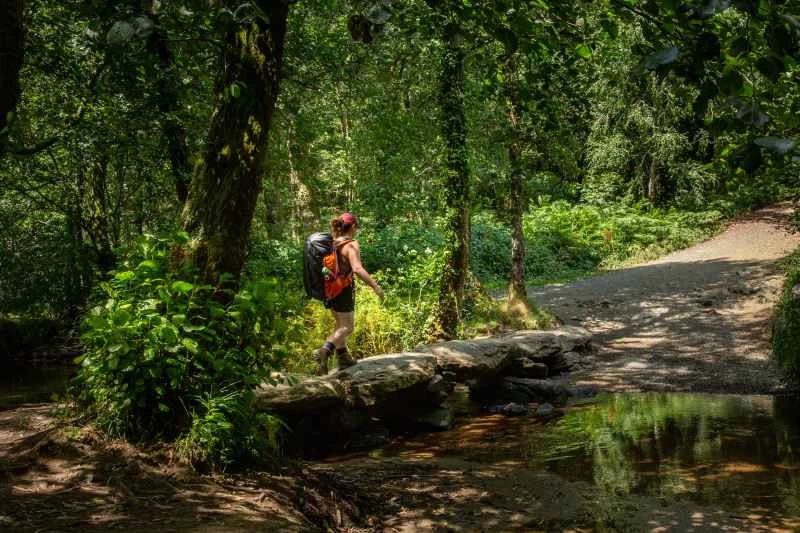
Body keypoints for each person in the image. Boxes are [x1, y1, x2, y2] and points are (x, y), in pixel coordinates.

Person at [313, 212, 384, 374]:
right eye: (356, 227)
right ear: (352, 226)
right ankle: (324, 350)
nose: (356, 230)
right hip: (342, 289)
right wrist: (375, 286)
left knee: (340, 324)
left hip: (329, 289)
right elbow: (357, 268)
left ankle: (343, 357)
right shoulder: (350, 244)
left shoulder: (331, 243)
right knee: (348, 327)